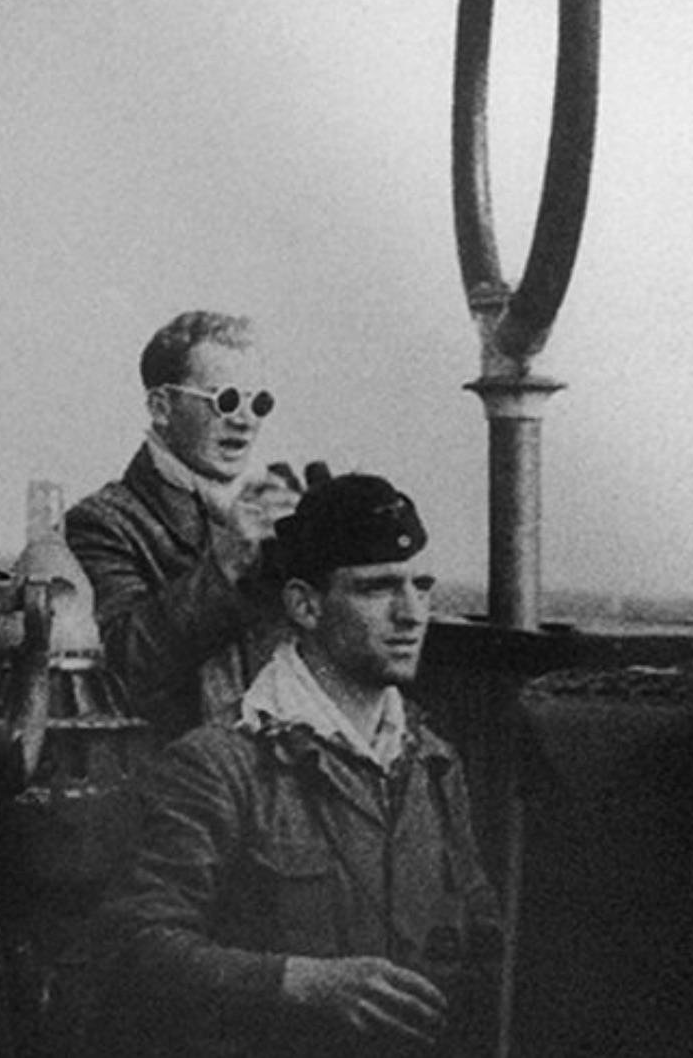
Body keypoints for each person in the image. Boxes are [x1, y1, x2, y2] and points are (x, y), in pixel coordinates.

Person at [90, 473, 502, 1058]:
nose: (412, 613)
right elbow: (132, 950)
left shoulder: (433, 763)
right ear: (305, 605)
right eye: (377, 588)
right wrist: (296, 982)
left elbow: (483, 938)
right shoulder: (220, 766)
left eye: (422, 586)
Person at [66, 310, 303, 746]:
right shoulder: (104, 522)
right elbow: (121, 671)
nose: (245, 419)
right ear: (161, 407)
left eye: (260, 403)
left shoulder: (273, 513)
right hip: (180, 778)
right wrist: (226, 566)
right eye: (225, 400)